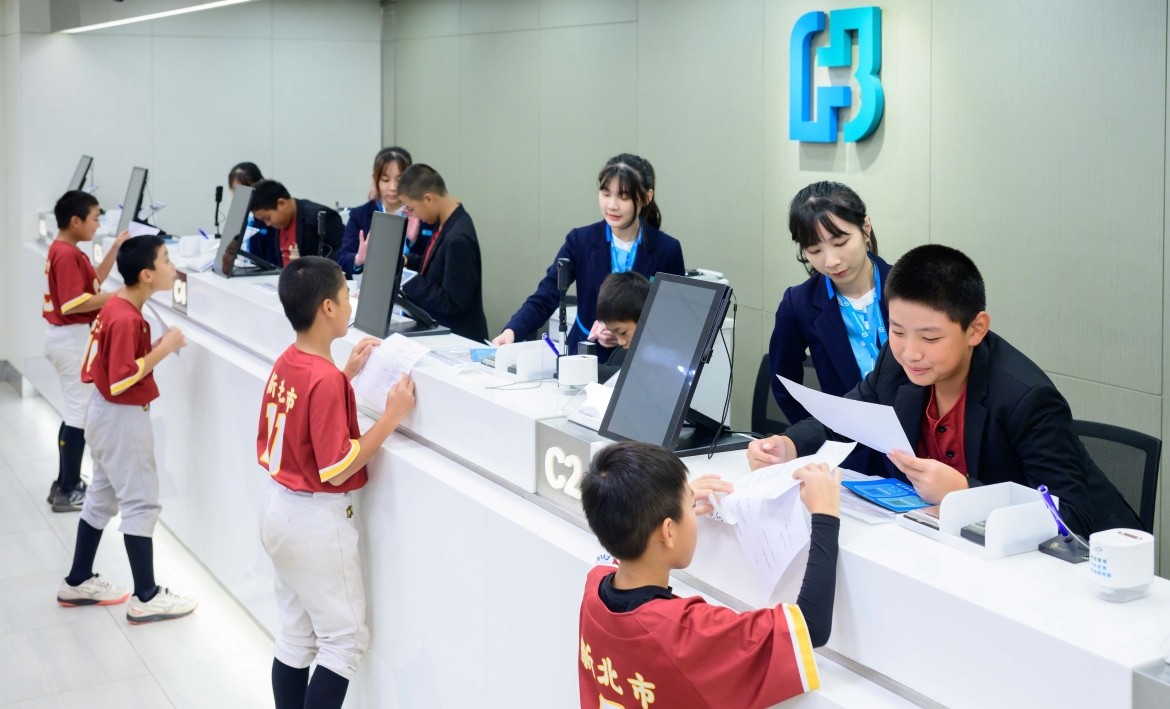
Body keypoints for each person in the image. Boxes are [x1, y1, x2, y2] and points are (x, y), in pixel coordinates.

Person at [748, 244, 1142, 536]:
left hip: (1082, 566)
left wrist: (965, 491)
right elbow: (848, 415)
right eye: (897, 331)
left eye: (930, 338)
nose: (911, 352)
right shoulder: (897, 363)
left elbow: (1070, 516)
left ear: (976, 329)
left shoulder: (1026, 398)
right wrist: (789, 444)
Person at [258, 256, 416, 709]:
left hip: (279, 509)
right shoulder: (325, 380)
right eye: (347, 295)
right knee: (343, 643)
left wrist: (345, 374)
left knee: (295, 635)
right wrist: (390, 418)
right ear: (327, 307)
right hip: (315, 522)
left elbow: (306, 408)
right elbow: (338, 466)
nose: (351, 303)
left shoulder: (289, 361)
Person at [578, 441, 840, 708]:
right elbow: (810, 627)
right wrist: (825, 515)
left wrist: (670, 505)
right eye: (689, 506)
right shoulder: (689, 631)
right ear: (668, 532)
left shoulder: (594, 586)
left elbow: (616, 551)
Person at [56, 235, 198, 623]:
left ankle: (78, 579)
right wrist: (164, 348)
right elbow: (121, 380)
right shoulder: (127, 317)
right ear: (147, 274)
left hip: (105, 414)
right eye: (166, 260)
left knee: (101, 496)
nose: (172, 266)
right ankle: (146, 595)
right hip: (121, 416)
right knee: (140, 502)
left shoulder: (119, 305)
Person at [492, 154, 685, 362]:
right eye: (605, 193)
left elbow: (674, 317)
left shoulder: (667, 249)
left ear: (646, 198)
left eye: (623, 197)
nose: (612, 205)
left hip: (640, 361)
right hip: (583, 358)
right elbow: (547, 294)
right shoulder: (580, 241)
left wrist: (631, 333)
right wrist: (512, 331)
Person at [769, 182, 892, 429]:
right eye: (815, 250)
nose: (831, 261)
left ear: (865, 228)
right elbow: (784, 383)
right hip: (849, 439)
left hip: (917, 438)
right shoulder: (798, 304)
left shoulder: (912, 287)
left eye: (840, 243)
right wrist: (818, 434)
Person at [42, 190, 130, 512]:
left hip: (66, 337)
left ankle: (65, 483)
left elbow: (91, 284)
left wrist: (115, 248)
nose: (97, 224)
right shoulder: (66, 254)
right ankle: (68, 489)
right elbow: (72, 303)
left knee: (74, 412)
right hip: (71, 338)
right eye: (94, 218)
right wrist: (119, 296)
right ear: (75, 221)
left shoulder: (65, 250)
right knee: (78, 414)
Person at [397, 164, 488, 341]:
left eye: (412, 208)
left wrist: (408, 281)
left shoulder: (458, 238)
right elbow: (436, 266)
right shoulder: (445, 222)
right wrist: (407, 260)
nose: (414, 215)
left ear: (428, 199)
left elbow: (453, 302)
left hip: (459, 339)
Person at [336, 146, 435, 277]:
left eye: (399, 180)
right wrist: (359, 258)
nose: (393, 187)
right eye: (385, 180)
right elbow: (342, 259)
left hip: (415, 287)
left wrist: (413, 242)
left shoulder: (424, 214)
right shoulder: (360, 215)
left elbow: (433, 263)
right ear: (375, 179)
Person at [248, 180, 345, 267]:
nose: (267, 224)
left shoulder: (318, 217)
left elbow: (342, 253)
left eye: (267, 218)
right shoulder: (281, 222)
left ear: (281, 203)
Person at [593, 271, 650, 377]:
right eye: (614, 333)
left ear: (645, 318)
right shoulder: (619, 355)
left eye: (623, 332)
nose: (620, 342)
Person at [226, 162, 267, 250]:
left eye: (244, 189)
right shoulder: (236, 214)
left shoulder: (268, 215)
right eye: (234, 190)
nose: (239, 195)